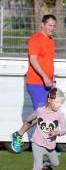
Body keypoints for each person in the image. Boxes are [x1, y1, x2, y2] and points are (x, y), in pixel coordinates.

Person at [11, 14, 57, 153]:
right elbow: (33, 60)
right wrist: (44, 77)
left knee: (47, 114)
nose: (52, 28)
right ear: (42, 24)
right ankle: (21, 135)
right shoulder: (35, 39)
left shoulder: (51, 41)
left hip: (48, 83)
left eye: (54, 25)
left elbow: (48, 62)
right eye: (50, 25)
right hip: (36, 82)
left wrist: (52, 79)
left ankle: (20, 135)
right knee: (41, 114)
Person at [21, 88, 66, 170]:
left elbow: (64, 130)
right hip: (37, 144)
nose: (59, 105)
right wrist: (31, 119)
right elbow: (28, 119)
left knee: (56, 163)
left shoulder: (60, 114)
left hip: (50, 146)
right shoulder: (40, 111)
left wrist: (57, 132)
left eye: (61, 103)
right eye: (57, 102)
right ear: (50, 99)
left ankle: (46, 165)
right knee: (37, 165)